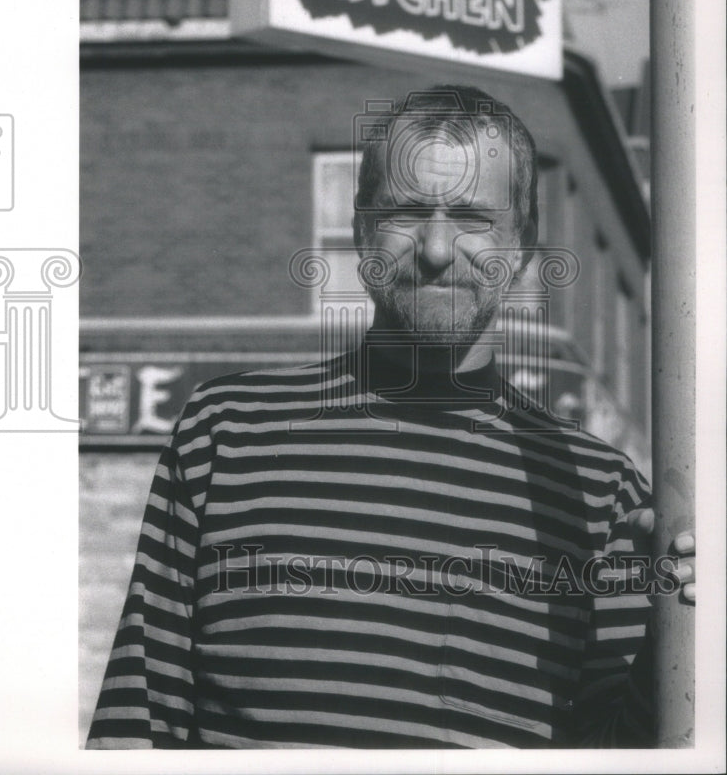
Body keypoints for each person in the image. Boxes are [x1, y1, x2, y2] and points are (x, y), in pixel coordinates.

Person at [86, 85, 694, 749]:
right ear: (359, 230)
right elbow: (136, 726)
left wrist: (678, 622)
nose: (435, 249)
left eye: (471, 218)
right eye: (405, 212)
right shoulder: (224, 433)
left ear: (522, 244)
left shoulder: (599, 492)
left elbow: (615, 753)